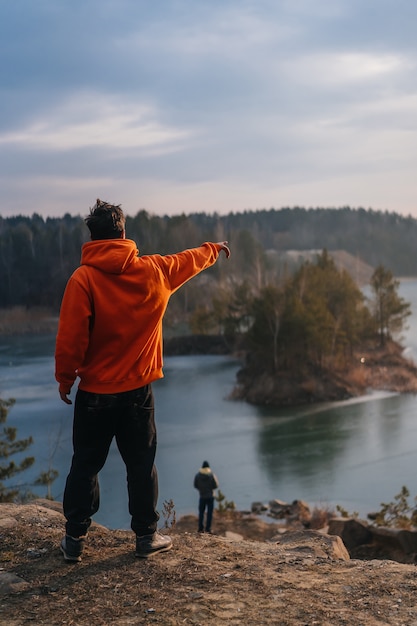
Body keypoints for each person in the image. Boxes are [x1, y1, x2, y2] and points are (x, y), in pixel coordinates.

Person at [55, 199, 230, 561]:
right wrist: (213, 249)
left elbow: (71, 338)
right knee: (140, 464)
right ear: (123, 234)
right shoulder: (155, 272)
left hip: (95, 395)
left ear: (92, 237)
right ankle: (146, 537)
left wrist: (64, 378)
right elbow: (189, 259)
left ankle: (74, 540)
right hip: (137, 393)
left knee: (85, 465)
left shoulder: (82, 279)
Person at [194, 460, 219, 533]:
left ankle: (200, 528)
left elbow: (195, 485)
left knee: (201, 512)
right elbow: (216, 485)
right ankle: (208, 528)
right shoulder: (211, 474)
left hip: (202, 496)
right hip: (210, 496)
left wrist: (201, 489)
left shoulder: (198, 475)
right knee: (209, 513)